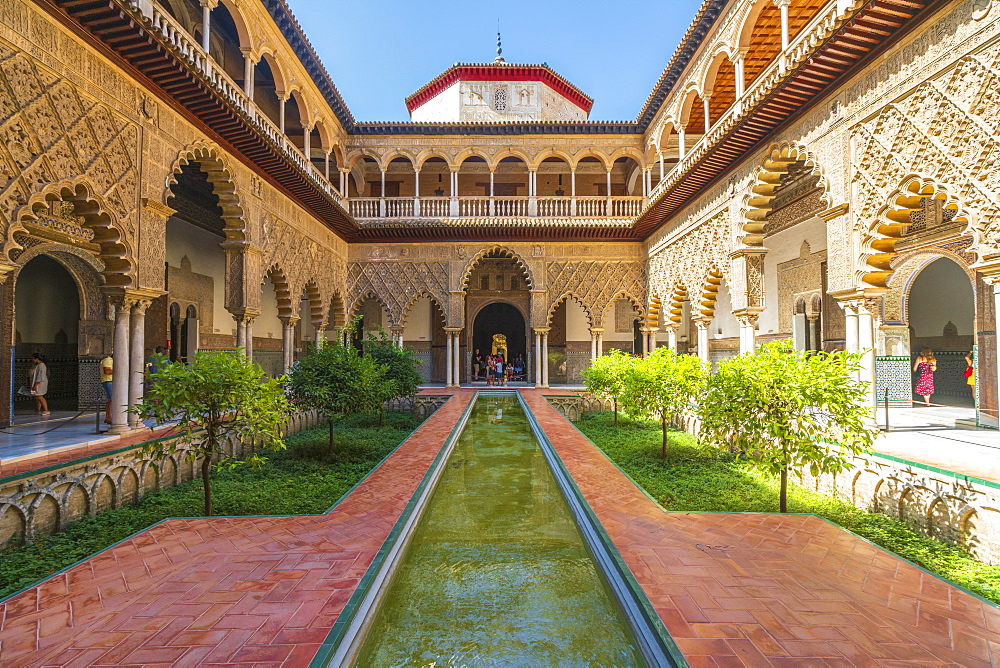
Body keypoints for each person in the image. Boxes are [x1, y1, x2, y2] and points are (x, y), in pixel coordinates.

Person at [100, 353, 113, 424]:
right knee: (112, 399)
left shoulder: (113, 361)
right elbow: (107, 371)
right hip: (108, 381)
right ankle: (109, 417)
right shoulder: (108, 360)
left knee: (111, 399)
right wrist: (119, 371)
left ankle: (109, 416)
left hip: (112, 381)